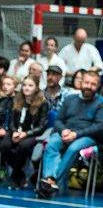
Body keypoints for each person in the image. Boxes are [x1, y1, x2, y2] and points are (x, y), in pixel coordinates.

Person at [37, 70, 103, 198]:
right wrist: (63, 130)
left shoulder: (101, 102)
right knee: (52, 143)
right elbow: (58, 120)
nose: (89, 86)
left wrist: (76, 134)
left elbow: (99, 126)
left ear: (98, 86)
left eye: (93, 84)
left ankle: (52, 182)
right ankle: (49, 178)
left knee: (73, 148)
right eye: (86, 82)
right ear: (81, 82)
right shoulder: (70, 99)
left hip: (87, 136)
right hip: (66, 132)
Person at [2, 76, 49, 189]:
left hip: (32, 133)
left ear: (36, 87)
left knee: (23, 146)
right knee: (4, 145)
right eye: (24, 85)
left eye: (30, 85)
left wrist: (26, 134)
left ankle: (14, 176)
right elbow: (12, 121)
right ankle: (20, 174)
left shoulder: (43, 103)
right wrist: (14, 132)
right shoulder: (16, 99)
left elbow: (42, 126)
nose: (26, 88)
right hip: (16, 131)